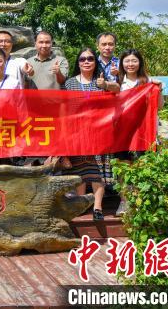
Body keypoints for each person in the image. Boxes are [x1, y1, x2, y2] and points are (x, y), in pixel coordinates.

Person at [61, 47, 117, 221]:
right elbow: (64, 109)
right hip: (76, 132)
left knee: (97, 170)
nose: (86, 62)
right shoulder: (69, 83)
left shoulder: (101, 80)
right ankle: (82, 205)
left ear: (95, 62)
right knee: (80, 170)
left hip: (98, 132)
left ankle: (97, 207)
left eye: (90, 58)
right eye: (82, 59)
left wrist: (106, 85)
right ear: (78, 63)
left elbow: (118, 90)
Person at [114, 48, 163, 216]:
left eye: (134, 61)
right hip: (122, 132)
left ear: (140, 63)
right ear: (122, 64)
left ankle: (141, 203)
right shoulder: (117, 82)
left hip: (143, 131)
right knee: (123, 167)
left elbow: (159, 106)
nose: (130, 64)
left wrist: (159, 89)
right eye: (127, 61)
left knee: (143, 166)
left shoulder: (148, 81)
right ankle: (124, 202)